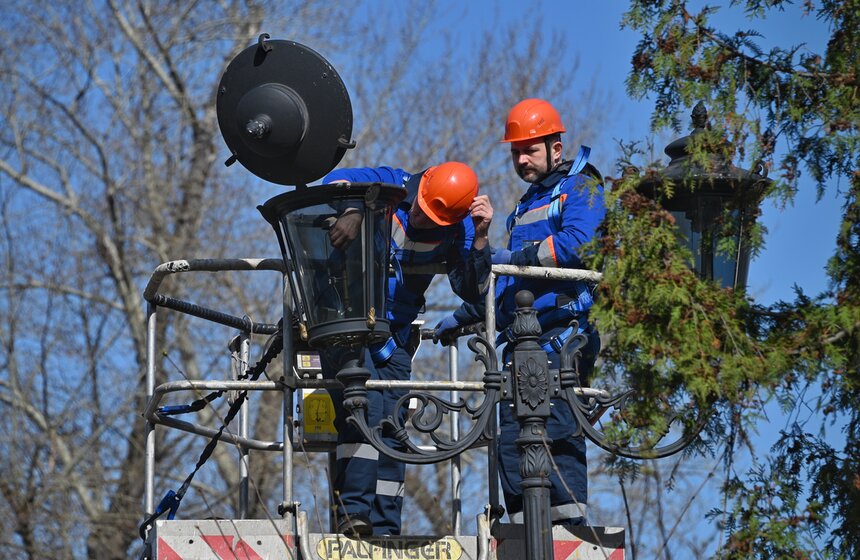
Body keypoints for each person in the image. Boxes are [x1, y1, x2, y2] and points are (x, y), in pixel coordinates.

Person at [435, 98, 605, 526]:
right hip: (521, 346)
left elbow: (578, 244)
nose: (521, 159)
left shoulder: (582, 186)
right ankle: (523, 532)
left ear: (556, 148)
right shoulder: (526, 203)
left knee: (558, 444)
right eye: (515, 151)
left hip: (561, 341)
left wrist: (515, 255)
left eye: (530, 149)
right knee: (511, 447)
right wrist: (464, 314)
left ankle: (567, 537)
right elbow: (512, 283)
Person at [320, 161, 493, 537]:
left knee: (393, 424)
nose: (418, 216)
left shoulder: (460, 227)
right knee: (361, 411)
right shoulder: (389, 184)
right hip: (352, 324)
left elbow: (469, 287)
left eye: (430, 218)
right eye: (419, 207)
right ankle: (353, 516)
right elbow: (332, 181)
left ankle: (385, 523)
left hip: (396, 339)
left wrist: (480, 239)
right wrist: (350, 209)